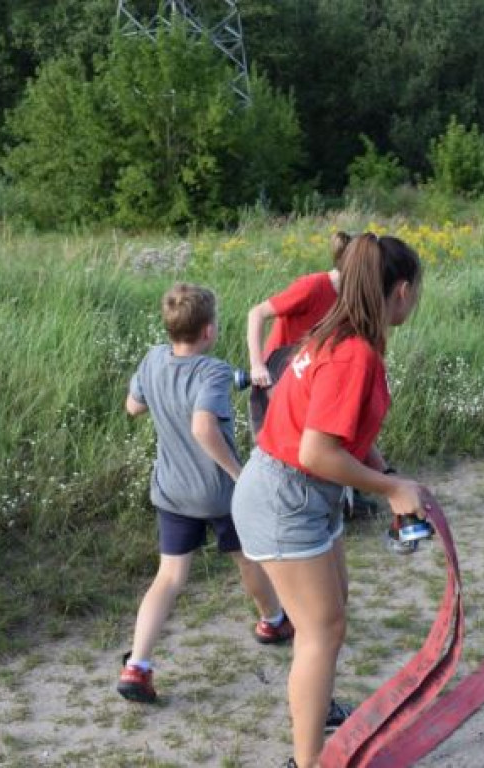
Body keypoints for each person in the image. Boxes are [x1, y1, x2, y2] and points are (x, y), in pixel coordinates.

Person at [231, 234, 429, 768]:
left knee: (330, 616)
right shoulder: (353, 354)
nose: (415, 301)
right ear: (402, 291)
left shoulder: (337, 333)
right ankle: (307, 761)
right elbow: (317, 452)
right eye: (416, 292)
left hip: (302, 491)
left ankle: (316, 713)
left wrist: (392, 476)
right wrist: (390, 490)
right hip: (286, 496)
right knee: (321, 630)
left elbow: (341, 434)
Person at [117, 283, 292, 705]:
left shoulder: (153, 359)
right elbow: (202, 427)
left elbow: (133, 407)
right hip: (219, 493)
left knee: (169, 578)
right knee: (246, 558)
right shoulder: (210, 371)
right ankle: (272, 621)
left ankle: (137, 665)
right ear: (209, 330)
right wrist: (239, 474)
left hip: (172, 492)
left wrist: (232, 380)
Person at [245, 231, 351, 436]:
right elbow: (256, 313)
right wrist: (257, 366)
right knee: (273, 447)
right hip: (276, 377)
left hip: (307, 382)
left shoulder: (352, 298)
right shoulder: (313, 286)